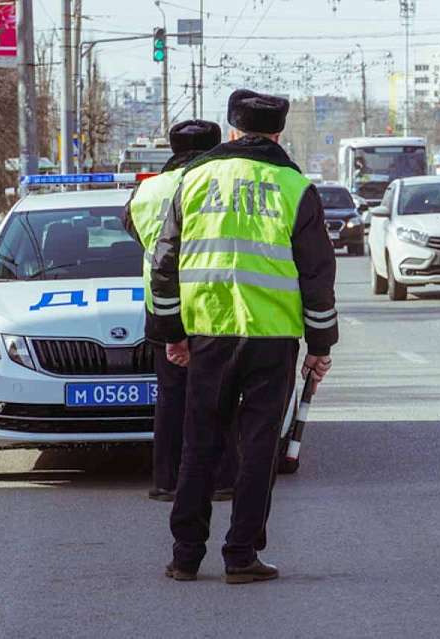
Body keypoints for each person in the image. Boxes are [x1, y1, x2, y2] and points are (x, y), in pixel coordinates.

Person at [149, 90, 338, 584]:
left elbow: (164, 263)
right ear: (278, 133)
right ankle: (241, 555)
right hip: (272, 336)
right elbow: (317, 275)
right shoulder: (294, 187)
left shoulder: (192, 180)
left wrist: (171, 332)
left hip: (207, 332)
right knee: (257, 449)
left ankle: (185, 555)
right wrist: (320, 347)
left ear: (231, 130)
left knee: (199, 444)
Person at [123, 119, 223, 502]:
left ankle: (165, 480)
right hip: (213, 302)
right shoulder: (215, 185)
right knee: (217, 396)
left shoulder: (147, 190)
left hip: (161, 304)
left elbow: (132, 228)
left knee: (170, 397)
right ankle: (220, 479)